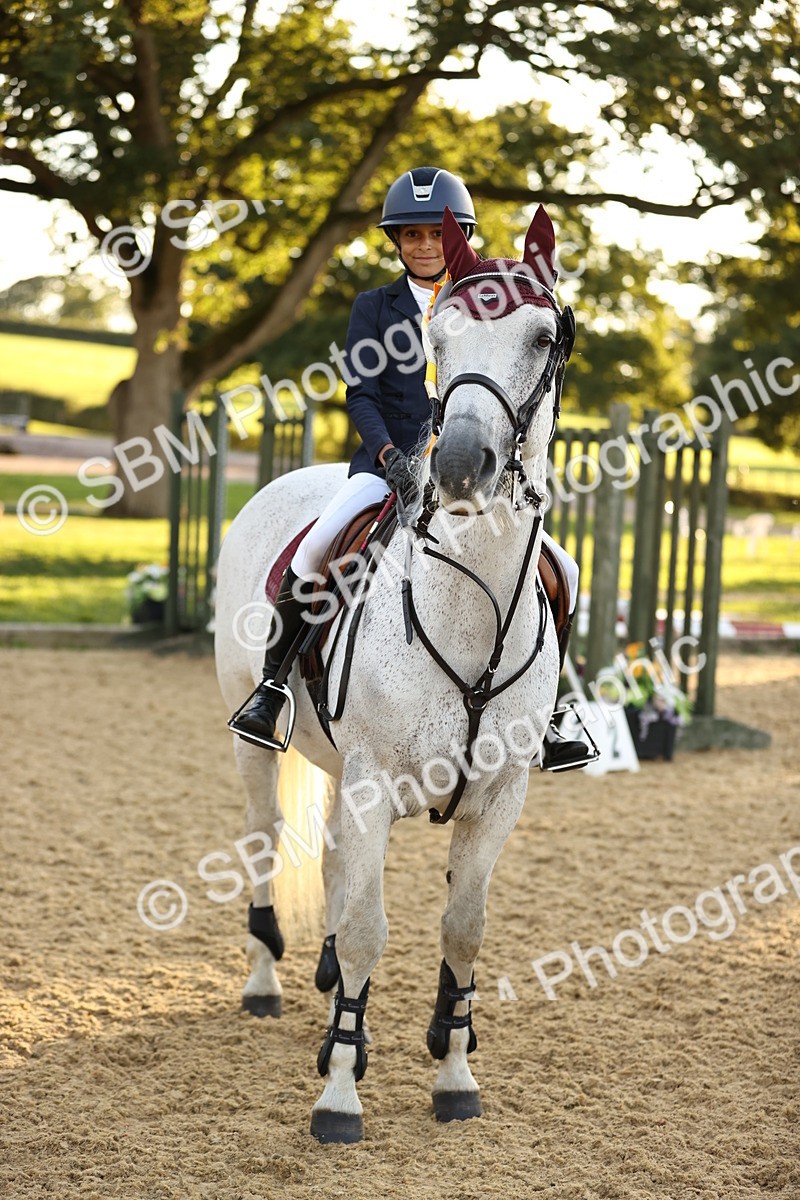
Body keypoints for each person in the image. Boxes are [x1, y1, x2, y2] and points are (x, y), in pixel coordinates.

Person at [229, 166, 592, 771]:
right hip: (386, 462)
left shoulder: (485, 303)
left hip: (472, 471)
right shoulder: (375, 307)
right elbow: (361, 395)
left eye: (433, 235)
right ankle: (270, 689)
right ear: (396, 243)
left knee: (565, 570)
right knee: (315, 548)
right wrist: (391, 457)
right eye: (410, 236)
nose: (423, 246)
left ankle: (552, 713)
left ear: (456, 239)